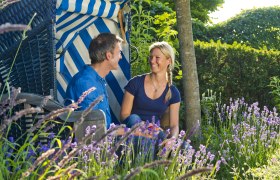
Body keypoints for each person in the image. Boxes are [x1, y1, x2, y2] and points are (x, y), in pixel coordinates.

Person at [120, 41, 181, 141]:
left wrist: (173, 140)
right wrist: (144, 125)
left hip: (155, 133)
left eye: (157, 58)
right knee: (134, 117)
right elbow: (124, 115)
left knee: (184, 146)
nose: (152, 61)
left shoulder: (173, 93)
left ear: (168, 61)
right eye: (151, 57)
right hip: (134, 131)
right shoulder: (135, 83)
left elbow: (174, 125)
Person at [65, 33, 123, 129]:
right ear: (109, 55)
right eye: (119, 53)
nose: (120, 57)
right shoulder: (86, 83)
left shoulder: (96, 80)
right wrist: (127, 131)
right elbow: (92, 130)